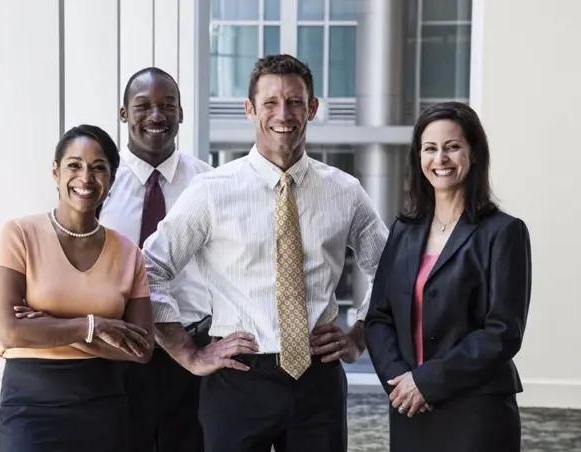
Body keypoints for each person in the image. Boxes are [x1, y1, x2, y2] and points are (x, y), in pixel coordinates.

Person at [141, 54, 389, 452]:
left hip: (318, 379)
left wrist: (360, 334)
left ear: (312, 108)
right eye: (270, 102)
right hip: (238, 377)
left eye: (294, 102)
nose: (283, 113)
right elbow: (148, 269)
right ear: (250, 109)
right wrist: (185, 351)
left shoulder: (344, 191)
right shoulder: (212, 191)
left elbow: (390, 269)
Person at [364, 102, 531, 452]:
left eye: (452, 147)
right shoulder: (403, 232)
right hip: (410, 409)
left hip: (476, 412)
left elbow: (503, 331)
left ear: (474, 155)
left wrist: (426, 382)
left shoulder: (504, 232)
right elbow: (379, 317)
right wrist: (401, 384)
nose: (440, 158)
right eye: (430, 148)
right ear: (419, 158)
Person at [0, 124, 154, 452]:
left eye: (98, 168)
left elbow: (142, 349)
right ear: (56, 171)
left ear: (112, 177)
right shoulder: (18, 234)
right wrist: (96, 326)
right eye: (74, 165)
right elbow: (9, 331)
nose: (86, 178)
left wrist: (46, 324)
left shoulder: (128, 253)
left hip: (103, 408)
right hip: (29, 410)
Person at [99, 67, 213, 452]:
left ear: (181, 113)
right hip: (121, 353)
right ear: (123, 114)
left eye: (167, 105)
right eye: (142, 106)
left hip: (194, 350)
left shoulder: (208, 182)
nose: (156, 115)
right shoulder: (99, 185)